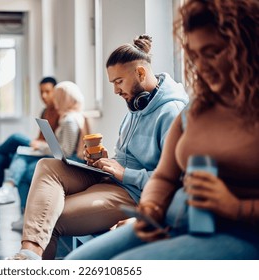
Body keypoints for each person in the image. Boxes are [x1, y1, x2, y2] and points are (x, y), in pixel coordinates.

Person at [66, 0, 259, 260]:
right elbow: (165, 177)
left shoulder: (174, 108)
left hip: (238, 232)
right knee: (78, 262)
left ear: (247, 46)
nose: (202, 67)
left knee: (122, 266)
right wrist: (151, 209)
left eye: (212, 52)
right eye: (195, 55)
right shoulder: (198, 109)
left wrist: (236, 208)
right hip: (175, 220)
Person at [7, 35, 189, 260]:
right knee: (47, 165)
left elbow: (175, 182)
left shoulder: (171, 112)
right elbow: (129, 156)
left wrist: (124, 173)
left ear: (140, 73)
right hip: (111, 179)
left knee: (47, 218)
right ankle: (29, 254)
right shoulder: (136, 105)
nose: (115, 90)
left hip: (133, 192)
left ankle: (28, 258)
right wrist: (105, 160)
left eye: (118, 82)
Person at [0, 77, 59, 223]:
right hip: (38, 150)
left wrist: (38, 145)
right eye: (41, 92)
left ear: (56, 92)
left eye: (47, 92)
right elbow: (40, 137)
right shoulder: (45, 112)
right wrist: (36, 145)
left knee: (16, 138)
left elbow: (56, 145)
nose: (44, 96)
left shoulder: (62, 112)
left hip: (47, 153)